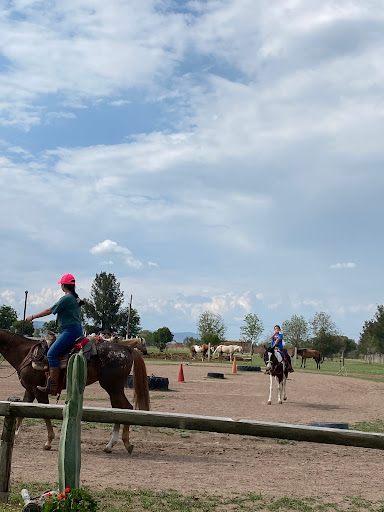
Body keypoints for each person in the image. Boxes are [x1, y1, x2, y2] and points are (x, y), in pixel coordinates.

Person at [25, 273, 84, 395]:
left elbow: (49, 311)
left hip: (70, 331)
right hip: (75, 330)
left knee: (51, 354)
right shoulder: (74, 298)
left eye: (61, 285)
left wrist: (32, 317)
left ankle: (53, 386)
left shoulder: (66, 298)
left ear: (63, 286)